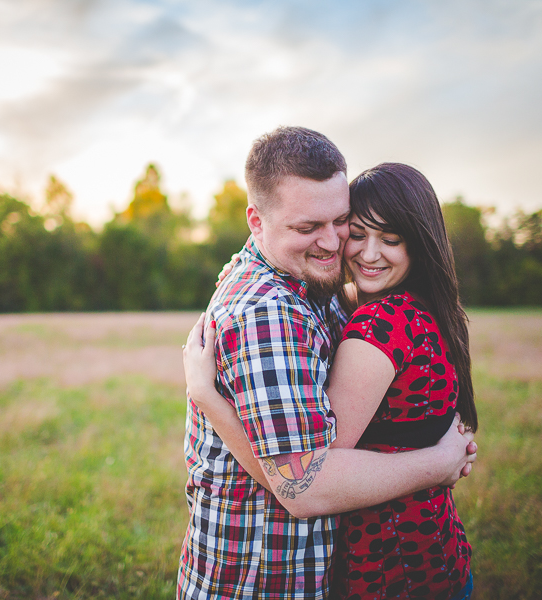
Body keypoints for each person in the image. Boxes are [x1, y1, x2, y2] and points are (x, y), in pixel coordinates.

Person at [177, 126, 476, 600]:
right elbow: (305, 488)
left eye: (341, 222)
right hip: (261, 580)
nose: (335, 243)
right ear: (256, 220)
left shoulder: (318, 284)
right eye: (307, 227)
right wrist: (439, 461)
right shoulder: (269, 315)